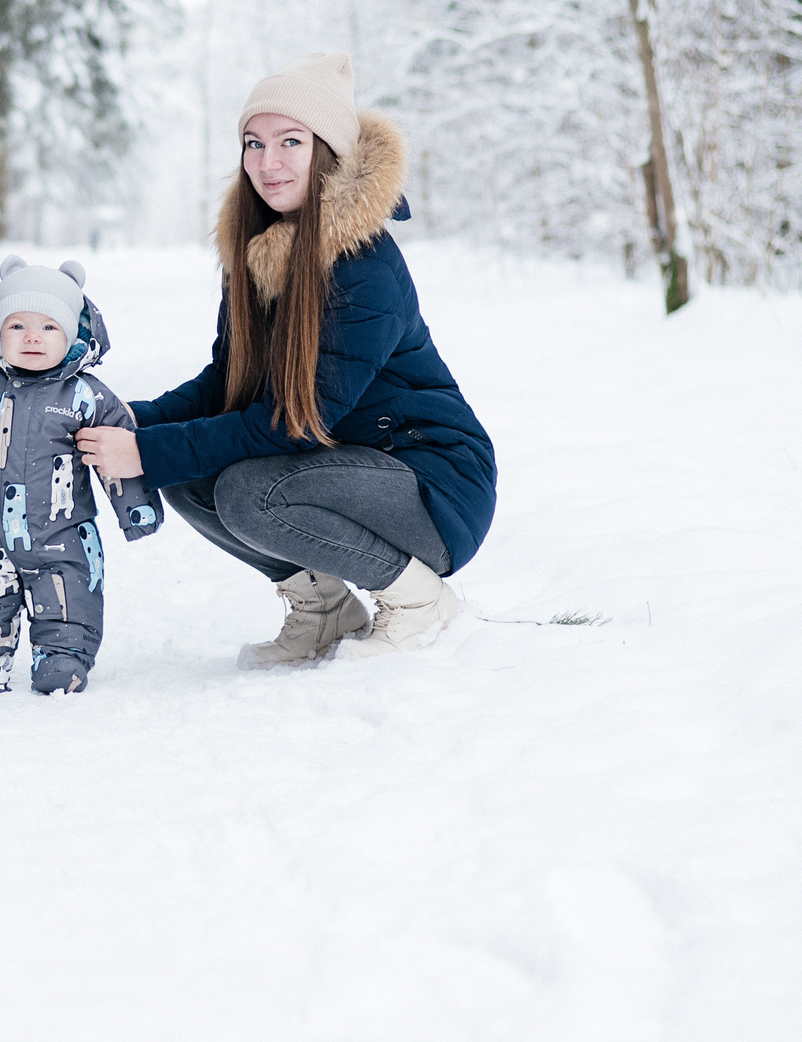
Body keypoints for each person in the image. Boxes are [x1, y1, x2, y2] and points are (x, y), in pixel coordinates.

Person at [76, 52, 495, 668]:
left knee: (249, 492)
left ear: (328, 150)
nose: (267, 162)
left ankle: (418, 601)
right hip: (345, 467)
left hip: (430, 483)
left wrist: (143, 451)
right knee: (189, 473)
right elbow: (227, 384)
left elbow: (295, 423)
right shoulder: (259, 253)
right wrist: (129, 421)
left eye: (290, 142)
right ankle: (325, 610)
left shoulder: (365, 266)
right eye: (254, 143)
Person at [0, 257, 161, 696]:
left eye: (48, 327)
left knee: (68, 596)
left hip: (61, 533)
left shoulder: (87, 396)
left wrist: (135, 506)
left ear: (72, 335)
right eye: (17, 326)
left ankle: (63, 657)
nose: (32, 337)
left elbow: (117, 450)